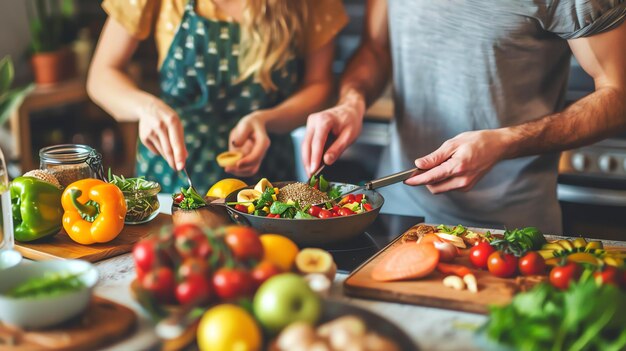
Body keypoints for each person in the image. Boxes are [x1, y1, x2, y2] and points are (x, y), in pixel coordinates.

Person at [301, 0, 626, 234]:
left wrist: (507, 141)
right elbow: (375, 47)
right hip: (398, 213)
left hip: (509, 230)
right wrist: (351, 100)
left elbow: (618, 95)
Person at [87, 0, 347, 193]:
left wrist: (267, 119)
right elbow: (101, 75)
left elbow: (321, 86)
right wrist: (146, 107)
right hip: (173, 175)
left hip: (268, 175)